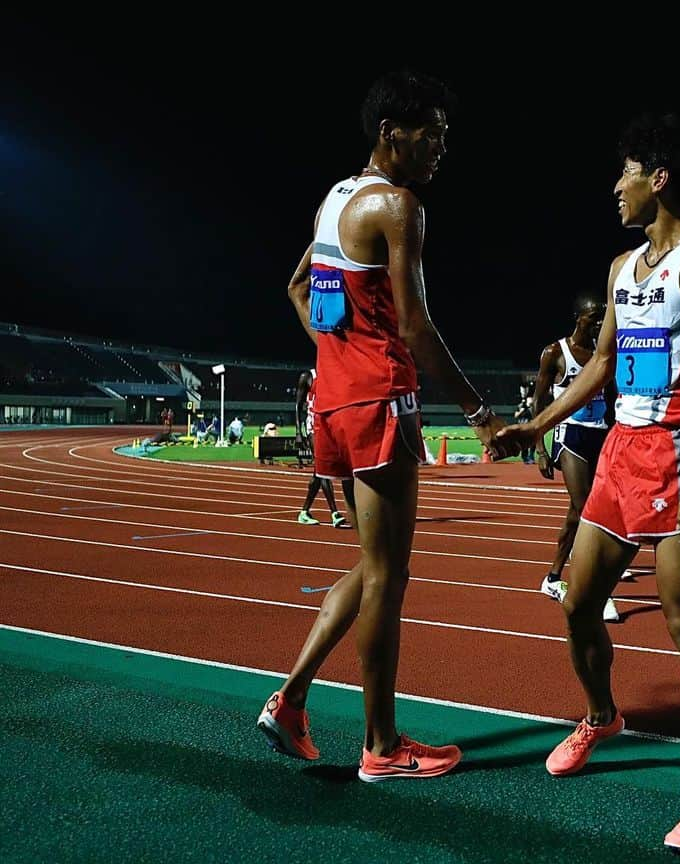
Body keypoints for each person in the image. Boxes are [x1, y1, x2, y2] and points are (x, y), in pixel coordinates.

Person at [258, 68, 517, 782]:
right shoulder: (399, 207)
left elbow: (297, 287)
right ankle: (381, 745)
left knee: (373, 569)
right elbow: (414, 324)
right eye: (431, 135)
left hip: (339, 399)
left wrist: (336, 352)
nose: (441, 149)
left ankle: (291, 700)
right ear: (389, 134)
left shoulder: (335, 198)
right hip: (379, 400)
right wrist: (480, 411)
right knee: (390, 578)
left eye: (445, 136)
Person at [498, 113, 680, 853]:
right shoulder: (618, 268)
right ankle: (602, 716)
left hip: (677, 456)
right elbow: (601, 366)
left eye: (625, 172)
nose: (616, 187)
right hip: (619, 455)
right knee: (577, 605)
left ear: (658, 178)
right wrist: (537, 426)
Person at [531, 295, 620, 623]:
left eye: (602, 317)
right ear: (577, 317)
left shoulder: (602, 355)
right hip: (570, 435)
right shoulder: (556, 353)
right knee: (588, 511)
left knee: (575, 514)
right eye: (593, 317)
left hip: (598, 435)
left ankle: (553, 579)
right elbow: (538, 401)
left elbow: (610, 402)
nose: (598, 322)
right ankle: (599, 591)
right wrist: (540, 448)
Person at [294, 368, 349, 528]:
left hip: (330, 426)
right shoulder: (308, 377)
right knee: (322, 468)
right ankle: (334, 513)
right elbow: (298, 405)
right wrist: (298, 432)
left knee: (318, 472)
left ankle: (304, 512)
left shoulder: (335, 375)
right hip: (314, 427)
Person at [513, 383, 536, 464]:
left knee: (533, 442)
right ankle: (524, 457)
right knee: (524, 443)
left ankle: (531, 456)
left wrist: (529, 407)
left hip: (530, 426)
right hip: (521, 426)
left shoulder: (532, 406)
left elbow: (534, 415)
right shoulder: (520, 405)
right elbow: (515, 415)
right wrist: (522, 410)